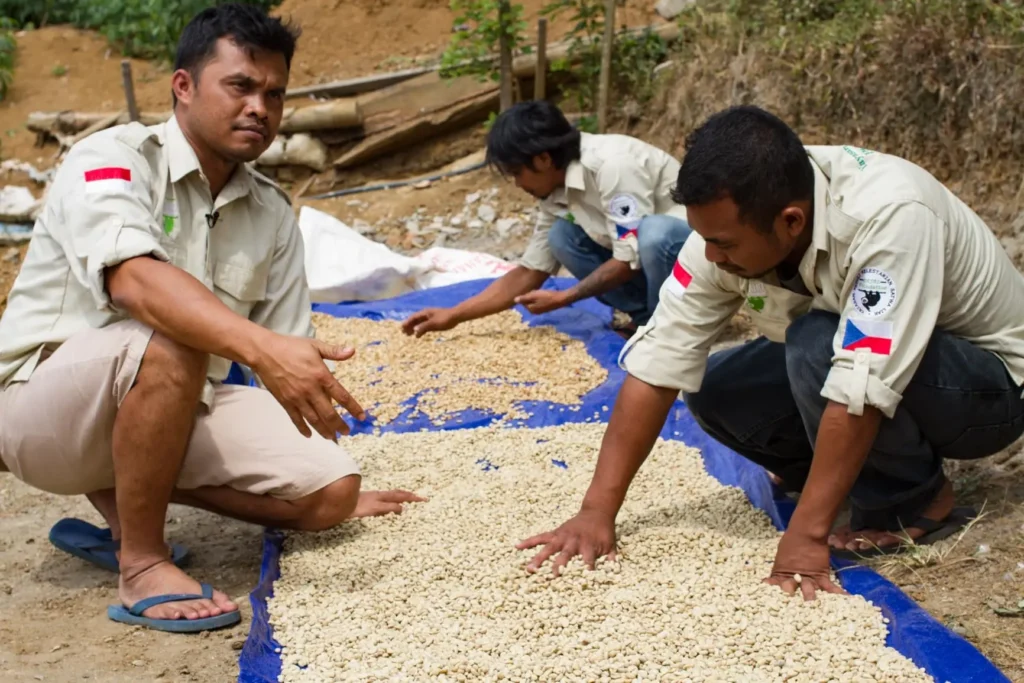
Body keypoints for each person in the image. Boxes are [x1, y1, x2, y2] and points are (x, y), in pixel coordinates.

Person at [0, 4, 422, 633]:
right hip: (43, 410)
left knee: (331, 494)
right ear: (184, 87)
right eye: (241, 86)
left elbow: (284, 351)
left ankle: (129, 487)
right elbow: (135, 282)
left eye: (274, 94)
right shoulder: (113, 158)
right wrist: (258, 347)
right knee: (170, 336)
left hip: (175, 399)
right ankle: (141, 559)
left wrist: (296, 470)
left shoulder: (272, 212)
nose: (259, 107)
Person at [517, 105, 1024, 599]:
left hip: (988, 389)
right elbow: (658, 362)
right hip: (875, 365)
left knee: (815, 343)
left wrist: (803, 537)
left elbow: (861, 383)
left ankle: (913, 499)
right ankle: (839, 475)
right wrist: (595, 511)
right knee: (717, 389)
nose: (712, 255)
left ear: (791, 222)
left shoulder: (888, 216)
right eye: (704, 238)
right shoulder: (731, 225)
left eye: (725, 244)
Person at [402, 100, 692, 338]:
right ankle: (645, 318)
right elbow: (530, 271)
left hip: (693, 258)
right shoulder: (555, 190)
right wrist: (454, 314)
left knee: (654, 234)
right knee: (561, 237)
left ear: (543, 159)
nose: (517, 183)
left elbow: (630, 258)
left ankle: (667, 333)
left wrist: (566, 297)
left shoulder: (612, 166)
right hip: (650, 263)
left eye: (517, 172)